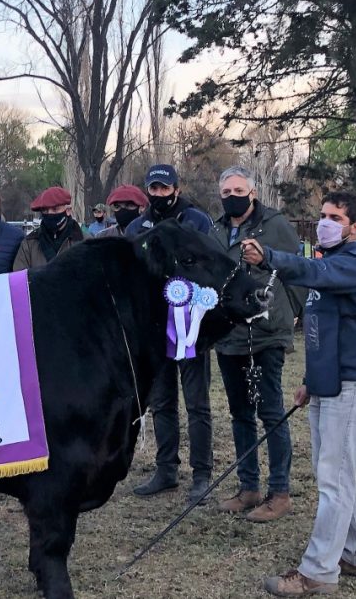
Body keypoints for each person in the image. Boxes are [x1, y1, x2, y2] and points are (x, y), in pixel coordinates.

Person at [239, 192, 356, 597]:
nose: (325, 222)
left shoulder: (355, 267)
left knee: (334, 480)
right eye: (323, 215)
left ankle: (319, 570)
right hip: (329, 384)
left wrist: (269, 256)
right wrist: (310, 380)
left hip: (354, 385)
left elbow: (310, 272)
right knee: (338, 475)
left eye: (335, 217)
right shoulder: (329, 267)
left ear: (355, 227)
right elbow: (324, 332)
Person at [210, 166, 305, 522]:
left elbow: (297, 271)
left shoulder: (275, 225)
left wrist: (291, 312)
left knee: (270, 412)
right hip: (229, 335)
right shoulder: (216, 230)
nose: (232, 195)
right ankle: (248, 487)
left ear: (252, 193)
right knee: (239, 414)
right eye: (226, 190)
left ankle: (279, 493)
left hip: (266, 335)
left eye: (238, 189)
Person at [130, 170, 216, 506]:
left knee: (197, 404)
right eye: (153, 187)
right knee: (161, 402)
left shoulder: (196, 220)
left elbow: (211, 263)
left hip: (190, 325)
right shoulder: (138, 227)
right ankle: (166, 469)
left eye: (164, 186)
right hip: (154, 327)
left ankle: (202, 474)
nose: (159, 192)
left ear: (177, 189)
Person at [125, 164, 213, 236]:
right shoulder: (135, 228)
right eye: (153, 188)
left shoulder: (198, 221)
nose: (158, 194)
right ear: (147, 191)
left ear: (176, 191)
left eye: (165, 188)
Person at [13, 186, 84, 270]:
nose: (50, 214)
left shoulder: (85, 241)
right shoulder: (29, 244)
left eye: (55, 209)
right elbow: (20, 278)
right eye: (45, 210)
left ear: (68, 210)